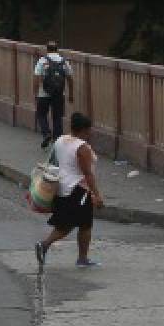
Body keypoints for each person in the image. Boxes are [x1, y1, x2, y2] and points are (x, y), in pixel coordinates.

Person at [35, 112, 104, 269]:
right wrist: (97, 195)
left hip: (61, 187)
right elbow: (87, 174)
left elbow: (54, 162)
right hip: (78, 190)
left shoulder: (60, 140)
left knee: (66, 224)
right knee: (82, 225)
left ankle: (79, 257)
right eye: (89, 130)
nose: (90, 133)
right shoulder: (82, 147)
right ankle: (48, 246)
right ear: (84, 130)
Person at [34, 42, 74, 150]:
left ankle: (46, 133)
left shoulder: (42, 60)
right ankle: (58, 142)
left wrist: (35, 93)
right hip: (59, 93)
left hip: (44, 93)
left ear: (47, 49)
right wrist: (71, 94)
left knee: (41, 114)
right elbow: (70, 78)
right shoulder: (64, 61)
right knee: (57, 117)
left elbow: (36, 77)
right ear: (57, 50)